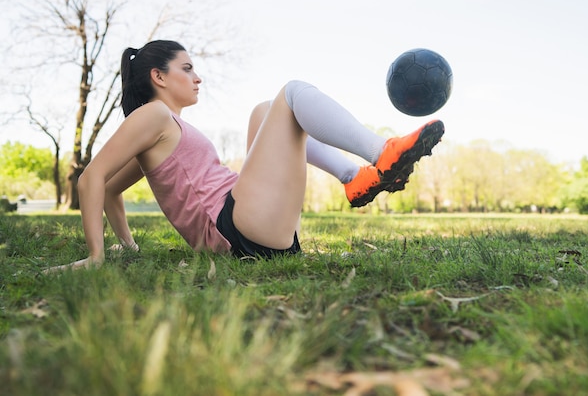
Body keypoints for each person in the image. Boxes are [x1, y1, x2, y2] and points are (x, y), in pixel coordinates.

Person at [46, 40, 444, 271]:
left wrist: (128, 244)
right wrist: (97, 255)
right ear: (159, 77)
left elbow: (111, 190)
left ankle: (353, 177)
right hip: (238, 229)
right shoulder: (153, 115)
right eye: (187, 68)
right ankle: (382, 152)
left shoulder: (162, 128)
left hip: (248, 227)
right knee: (291, 93)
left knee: (263, 110)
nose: (197, 76)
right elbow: (91, 179)